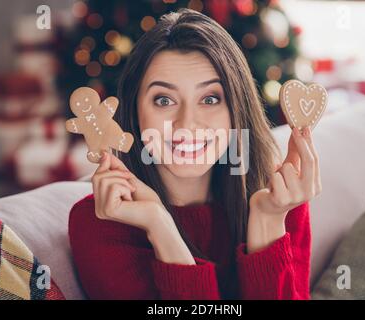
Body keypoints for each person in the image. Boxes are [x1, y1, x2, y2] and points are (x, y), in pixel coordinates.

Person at [69, 8, 321, 300]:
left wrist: (268, 222)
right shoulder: (101, 222)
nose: (187, 124)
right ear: (135, 112)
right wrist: (160, 227)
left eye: (210, 98)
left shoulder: (281, 199)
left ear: (236, 110)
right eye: (164, 100)